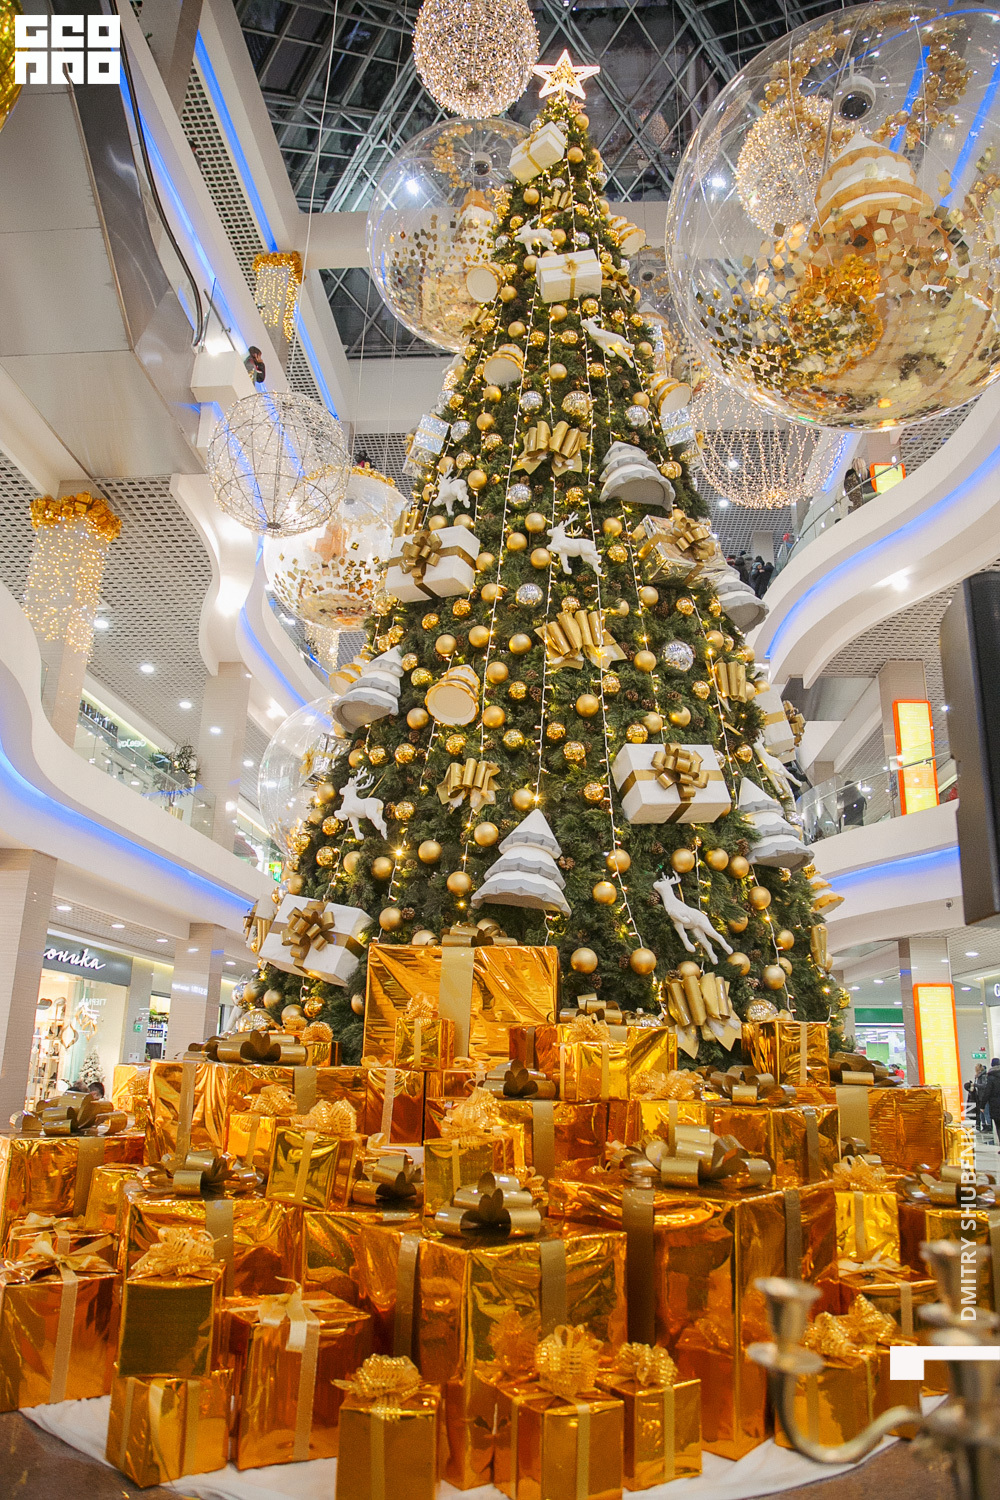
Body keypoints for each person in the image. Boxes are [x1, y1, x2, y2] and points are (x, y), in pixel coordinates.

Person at [982, 1057, 1000, 1146]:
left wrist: (982, 1105)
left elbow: (987, 1092)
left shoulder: (991, 1077)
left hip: (995, 1105)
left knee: (998, 1126)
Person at [966, 1063, 988, 1131]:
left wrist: (975, 1085)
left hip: (982, 1096)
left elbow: (984, 1085)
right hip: (978, 1096)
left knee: (985, 1112)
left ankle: (987, 1125)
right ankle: (982, 1124)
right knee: (980, 1112)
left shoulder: (983, 1076)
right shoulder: (977, 1076)